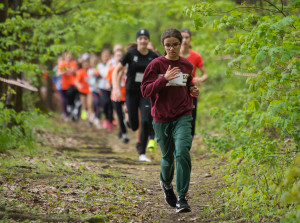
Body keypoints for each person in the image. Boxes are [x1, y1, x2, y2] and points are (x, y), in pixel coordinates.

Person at [141, 28, 199, 213]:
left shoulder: (187, 65)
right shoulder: (156, 65)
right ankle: (166, 184)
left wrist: (193, 91)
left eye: (175, 44)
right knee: (167, 157)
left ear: (181, 44)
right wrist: (163, 79)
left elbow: (189, 85)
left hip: (183, 115)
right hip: (161, 117)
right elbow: (145, 90)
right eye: (168, 45)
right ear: (163, 46)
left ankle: (182, 197)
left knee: (181, 152)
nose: (172, 48)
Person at [112, 29, 158, 162]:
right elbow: (116, 71)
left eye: (145, 38)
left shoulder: (153, 56)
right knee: (134, 125)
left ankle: (142, 153)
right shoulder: (130, 54)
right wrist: (116, 88)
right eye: (141, 38)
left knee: (145, 120)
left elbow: (161, 73)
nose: (143, 40)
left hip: (146, 92)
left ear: (148, 40)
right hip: (131, 92)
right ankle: (128, 114)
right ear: (137, 40)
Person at [180, 28, 208, 138]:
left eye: (187, 37)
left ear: (190, 39)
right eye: (182, 37)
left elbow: (205, 74)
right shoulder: (174, 55)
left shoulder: (196, 56)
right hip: (176, 92)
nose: (184, 40)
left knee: (191, 120)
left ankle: (186, 147)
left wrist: (200, 79)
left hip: (191, 93)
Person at [106, 49, 129, 143]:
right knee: (119, 115)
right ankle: (124, 134)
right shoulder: (112, 69)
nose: (119, 57)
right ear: (114, 58)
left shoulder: (128, 68)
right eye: (117, 56)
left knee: (128, 114)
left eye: (121, 55)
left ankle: (127, 123)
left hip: (127, 95)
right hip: (115, 96)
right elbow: (109, 82)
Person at [97, 48, 114, 132]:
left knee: (111, 105)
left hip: (112, 87)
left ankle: (110, 122)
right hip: (103, 87)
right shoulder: (100, 66)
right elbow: (104, 74)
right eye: (104, 56)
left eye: (107, 56)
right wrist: (108, 65)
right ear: (101, 57)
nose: (106, 58)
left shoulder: (113, 64)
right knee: (105, 103)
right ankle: (107, 119)